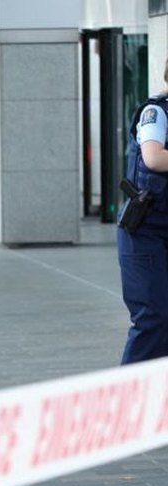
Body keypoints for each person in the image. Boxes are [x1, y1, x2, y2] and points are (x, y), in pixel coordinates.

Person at [118, 58, 168, 365]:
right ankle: (128, 401)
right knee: (153, 319)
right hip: (145, 232)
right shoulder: (156, 112)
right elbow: (154, 158)